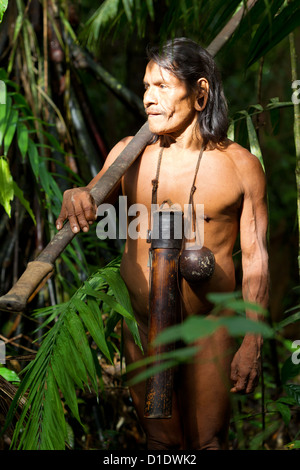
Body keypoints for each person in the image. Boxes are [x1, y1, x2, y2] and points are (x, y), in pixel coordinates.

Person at [56, 38, 269, 450]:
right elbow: (91, 199)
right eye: (145, 87)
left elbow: (257, 257)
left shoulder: (240, 166)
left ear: (200, 93)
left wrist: (253, 340)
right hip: (142, 327)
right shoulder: (128, 155)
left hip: (209, 328)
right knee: (160, 444)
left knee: (208, 442)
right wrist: (76, 194)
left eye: (162, 87)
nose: (148, 99)